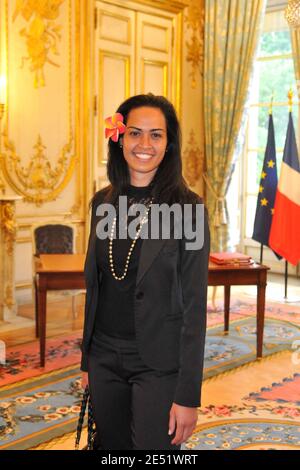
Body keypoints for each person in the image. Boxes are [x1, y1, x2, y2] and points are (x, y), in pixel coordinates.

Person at [80, 93, 210, 450]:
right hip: (104, 358)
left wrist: (187, 396)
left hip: (159, 363)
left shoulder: (189, 210)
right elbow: (96, 288)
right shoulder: (101, 203)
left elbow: (195, 306)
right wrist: (88, 362)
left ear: (169, 144)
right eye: (135, 132)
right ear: (119, 138)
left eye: (157, 135)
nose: (144, 144)